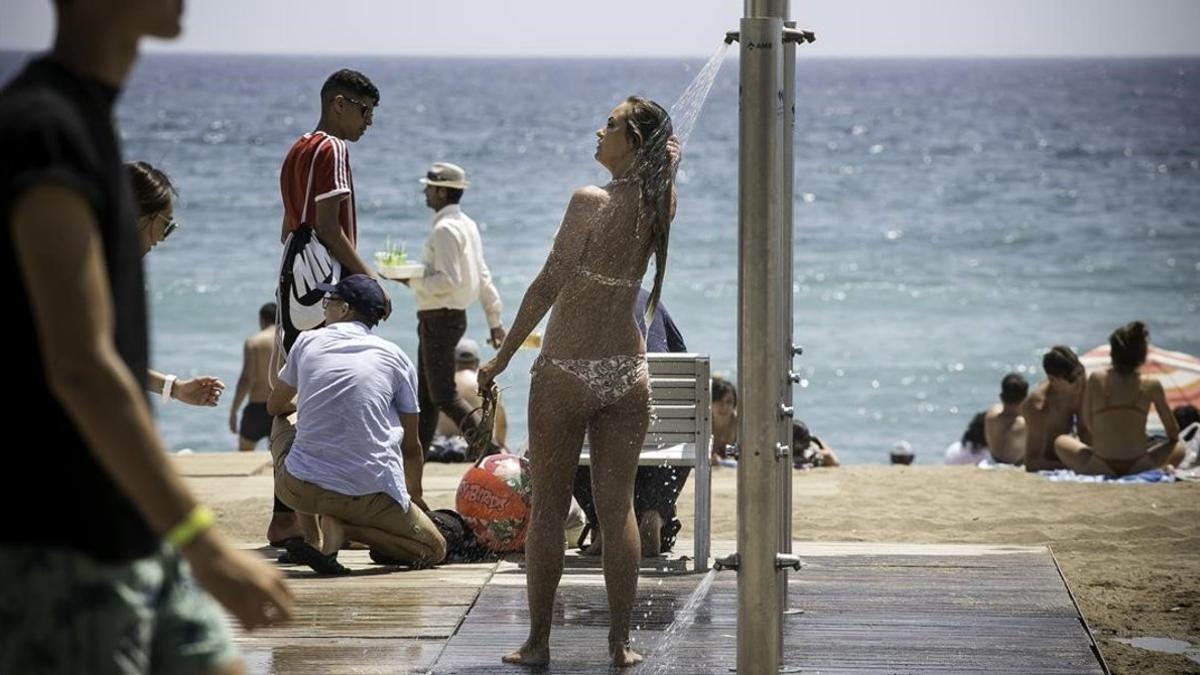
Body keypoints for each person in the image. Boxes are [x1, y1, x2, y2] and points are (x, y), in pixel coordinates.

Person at [0, 2, 291, 671]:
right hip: (63, 539)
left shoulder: (86, 122)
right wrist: (205, 543)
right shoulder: (46, 128)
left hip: (128, 524)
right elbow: (80, 366)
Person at [478, 96, 678, 668]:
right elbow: (668, 172)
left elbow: (546, 285)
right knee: (616, 510)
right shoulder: (659, 204)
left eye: (611, 125)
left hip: (566, 368)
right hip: (624, 371)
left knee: (547, 511)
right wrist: (672, 163)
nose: (599, 129)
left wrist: (501, 360)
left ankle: (539, 642)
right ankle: (620, 644)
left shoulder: (589, 201)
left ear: (633, 143)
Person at [269, 68, 386, 547]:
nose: (367, 123)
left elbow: (289, 224)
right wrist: (369, 281)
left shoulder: (299, 147)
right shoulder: (332, 148)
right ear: (339, 104)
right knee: (324, 388)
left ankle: (289, 515)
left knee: (295, 383)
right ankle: (305, 516)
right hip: (321, 279)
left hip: (292, 272)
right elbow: (331, 227)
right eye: (363, 111)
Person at [267, 275, 446, 574]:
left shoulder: (308, 341)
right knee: (433, 550)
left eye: (328, 303)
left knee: (281, 418)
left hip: (300, 489)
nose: (324, 311)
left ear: (345, 309)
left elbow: (274, 405)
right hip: (369, 495)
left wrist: (307, 408)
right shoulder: (396, 357)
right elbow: (411, 446)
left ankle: (313, 537)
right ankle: (348, 530)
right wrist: (414, 497)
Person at [574, 288, 691, 557]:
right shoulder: (652, 303)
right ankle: (654, 514)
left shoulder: (579, 303)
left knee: (566, 440)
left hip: (603, 441)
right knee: (683, 432)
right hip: (655, 432)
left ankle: (602, 523)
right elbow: (679, 355)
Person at [405, 162, 506, 459]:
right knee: (425, 399)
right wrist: (494, 319)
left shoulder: (445, 228)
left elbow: (447, 281)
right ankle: (415, 462)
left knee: (444, 396)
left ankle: (490, 451)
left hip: (439, 317)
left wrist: (408, 278)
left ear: (439, 191)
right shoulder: (467, 224)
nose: (425, 191)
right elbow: (482, 275)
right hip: (447, 318)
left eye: (429, 186)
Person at [128, 160, 225, 408]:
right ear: (142, 216)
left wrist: (175, 388)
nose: (162, 238)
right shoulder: (92, 272)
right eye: (166, 224)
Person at [1054, 321, 1186, 475]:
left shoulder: (1096, 379)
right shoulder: (1152, 384)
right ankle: (1156, 468)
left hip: (1100, 465)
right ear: (1142, 354)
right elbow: (1173, 432)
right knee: (1180, 446)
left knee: (1061, 441)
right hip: (1138, 466)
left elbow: (1089, 424)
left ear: (1113, 353)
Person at [428, 338, 509, 462]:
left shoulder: (441, 384)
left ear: (453, 362)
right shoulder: (486, 384)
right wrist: (501, 446)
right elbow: (500, 423)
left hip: (441, 445)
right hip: (472, 446)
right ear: (477, 362)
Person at [1022, 346, 1090, 471]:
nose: (1080, 381)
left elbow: (1083, 429)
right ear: (1053, 380)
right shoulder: (1039, 406)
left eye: (1081, 372)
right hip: (1049, 458)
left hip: (1068, 449)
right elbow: (1031, 462)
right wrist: (1073, 466)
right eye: (1072, 379)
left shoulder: (1080, 383)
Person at [229, 303, 278, 451]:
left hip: (256, 409)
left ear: (261, 320)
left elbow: (246, 379)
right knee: (278, 460)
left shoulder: (254, 342)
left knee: (245, 457)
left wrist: (234, 411)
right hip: (279, 407)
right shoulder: (288, 340)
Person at [984, 373, 1028, 465]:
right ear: (1025, 399)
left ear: (1001, 396)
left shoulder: (991, 414)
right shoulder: (1024, 424)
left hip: (993, 461)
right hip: (1014, 464)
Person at [711, 376, 738, 464]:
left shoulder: (739, 423)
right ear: (710, 402)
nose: (724, 407)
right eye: (719, 401)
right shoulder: (704, 423)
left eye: (729, 402)